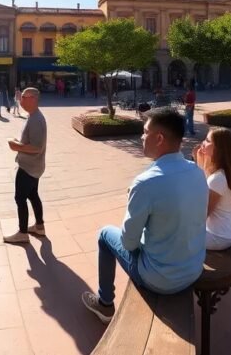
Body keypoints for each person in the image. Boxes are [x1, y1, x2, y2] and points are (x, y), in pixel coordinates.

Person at [81, 108, 208, 322]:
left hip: (160, 279)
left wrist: (134, 202)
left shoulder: (145, 182)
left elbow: (128, 243)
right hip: (193, 269)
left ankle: (105, 304)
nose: (141, 136)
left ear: (159, 139)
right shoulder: (197, 171)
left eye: (145, 131)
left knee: (105, 234)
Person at [4, 88, 48, 244]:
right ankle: (39, 226)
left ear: (33, 99)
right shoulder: (32, 116)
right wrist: (18, 141)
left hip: (28, 167)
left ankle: (22, 233)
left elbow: (36, 147)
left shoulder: (36, 120)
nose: (20, 100)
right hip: (34, 166)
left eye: (23, 97)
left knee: (20, 198)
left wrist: (16, 146)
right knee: (33, 195)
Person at [193, 127, 231, 250]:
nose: (202, 143)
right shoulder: (227, 172)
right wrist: (200, 163)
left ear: (219, 148)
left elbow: (202, 214)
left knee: (175, 236)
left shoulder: (217, 179)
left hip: (219, 237)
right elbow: (207, 184)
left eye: (207, 140)